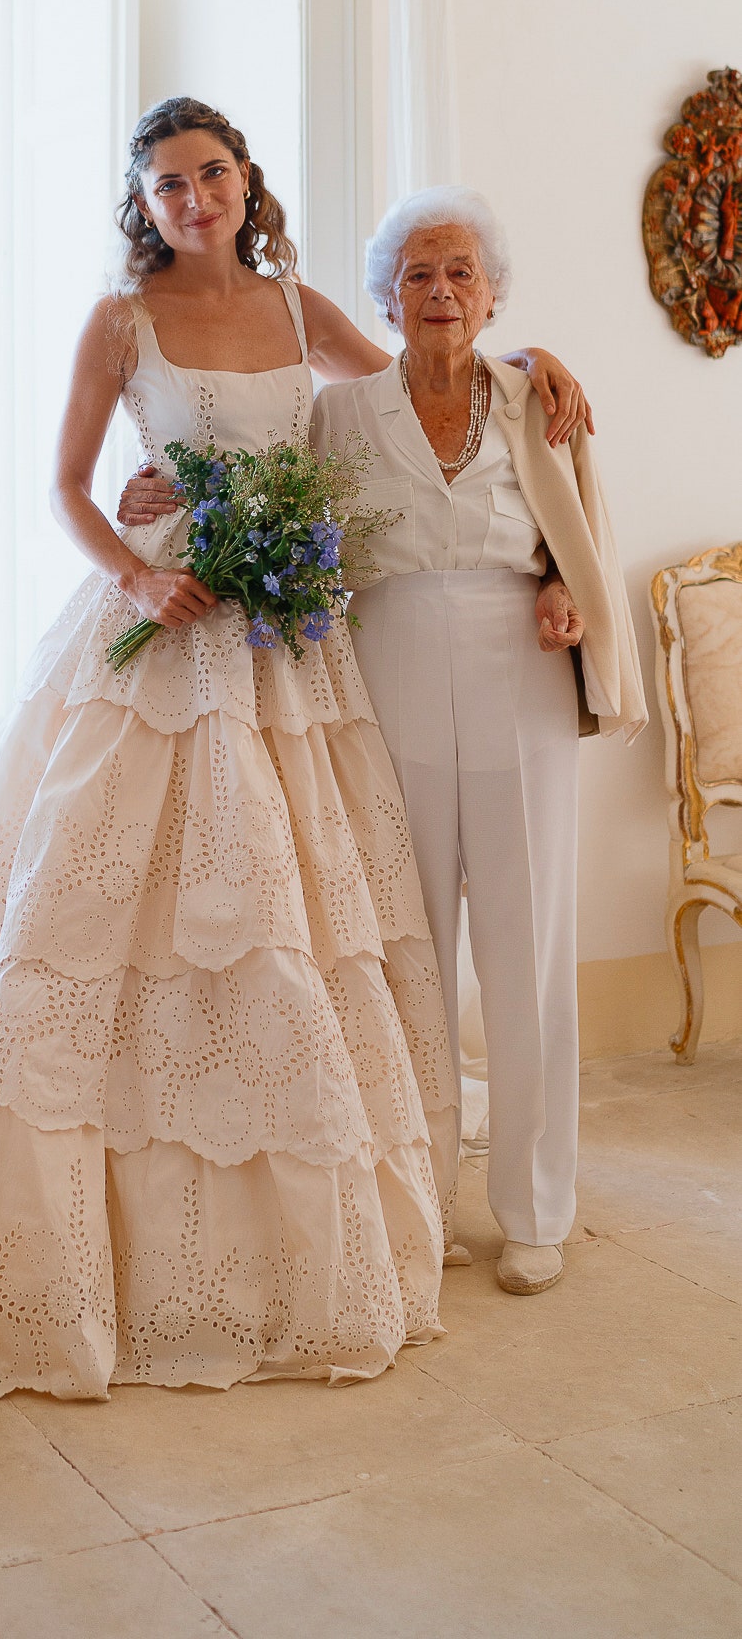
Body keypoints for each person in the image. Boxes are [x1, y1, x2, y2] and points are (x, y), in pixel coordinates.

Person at [0, 95, 592, 1401]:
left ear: (245, 181)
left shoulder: (298, 309)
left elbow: (409, 385)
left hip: (286, 633)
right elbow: (64, 485)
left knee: (303, 906)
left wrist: (531, 361)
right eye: (168, 184)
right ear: (143, 204)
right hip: (170, 612)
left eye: (211, 173)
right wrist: (135, 570)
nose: (194, 198)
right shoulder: (119, 322)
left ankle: (425, 1188)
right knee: (135, 904)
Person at [307, 190, 646, 1294]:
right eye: (417, 274)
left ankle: (537, 1207)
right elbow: (299, 531)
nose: (440, 291)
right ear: (386, 299)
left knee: (527, 938)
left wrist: (562, 588)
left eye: (460, 272)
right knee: (406, 943)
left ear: (493, 295)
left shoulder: (538, 398)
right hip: (388, 662)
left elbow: (578, 533)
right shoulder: (342, 414)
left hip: (519, 667)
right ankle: (421, 1202)